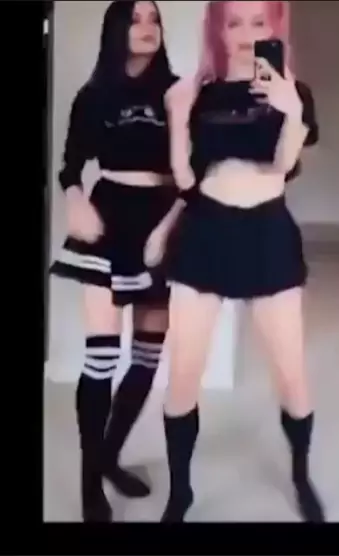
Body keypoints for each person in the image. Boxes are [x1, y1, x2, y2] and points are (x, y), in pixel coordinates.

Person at [160, 0, 326, 522]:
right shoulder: (200, 92)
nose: (247, 34)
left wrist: (292, 112)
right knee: (182, 373)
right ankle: (180, 492)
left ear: (275, 27)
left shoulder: (292, 91)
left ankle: (300, 475)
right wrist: (176, 116)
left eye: (259, 22)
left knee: (291, 373)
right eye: (235, 22)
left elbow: (283, 166)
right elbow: (186, 180)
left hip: (267, 233)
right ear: (218, 29)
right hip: (205, 232)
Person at [50, 0, 185, 522]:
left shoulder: (179, 92)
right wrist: (75, 199)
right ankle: (91, 486)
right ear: (117, 29)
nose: (147, 28)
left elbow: (194, 168)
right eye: (136, 19)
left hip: (162, 224)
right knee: (101, 358)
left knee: (148, 356)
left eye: (155, 19)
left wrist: (171, 225)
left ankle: (109, 455)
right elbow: (70, 166)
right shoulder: (94, 96)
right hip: (108, 224)